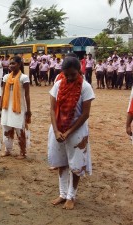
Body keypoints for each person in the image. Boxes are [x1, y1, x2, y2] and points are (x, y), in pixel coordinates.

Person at [48, 56, 95, 210]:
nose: (69, 78)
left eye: (73, 75)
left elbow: (85, 114)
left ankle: (71, 196)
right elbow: (52, 109)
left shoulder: (85, 87)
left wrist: (68, 132)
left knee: (75, 164)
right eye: (66, 74)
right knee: (61, 162)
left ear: (79, 72)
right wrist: (56, 130)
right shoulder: (58, 84)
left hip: (77, 129)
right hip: (58, 128)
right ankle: (62, 194)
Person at [1, 56, 31, 159]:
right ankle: (7, 150)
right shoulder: (5, 77)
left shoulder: (24, 78)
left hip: (18, 108)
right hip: (6, 107)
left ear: (19, 64)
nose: (11, 65)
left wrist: (28, 110)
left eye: (13, 63)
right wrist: (1, 107)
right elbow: (3, 92)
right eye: (10, 64)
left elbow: (27, 95)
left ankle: (23, 152)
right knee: (6, 128)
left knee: (19, 129)